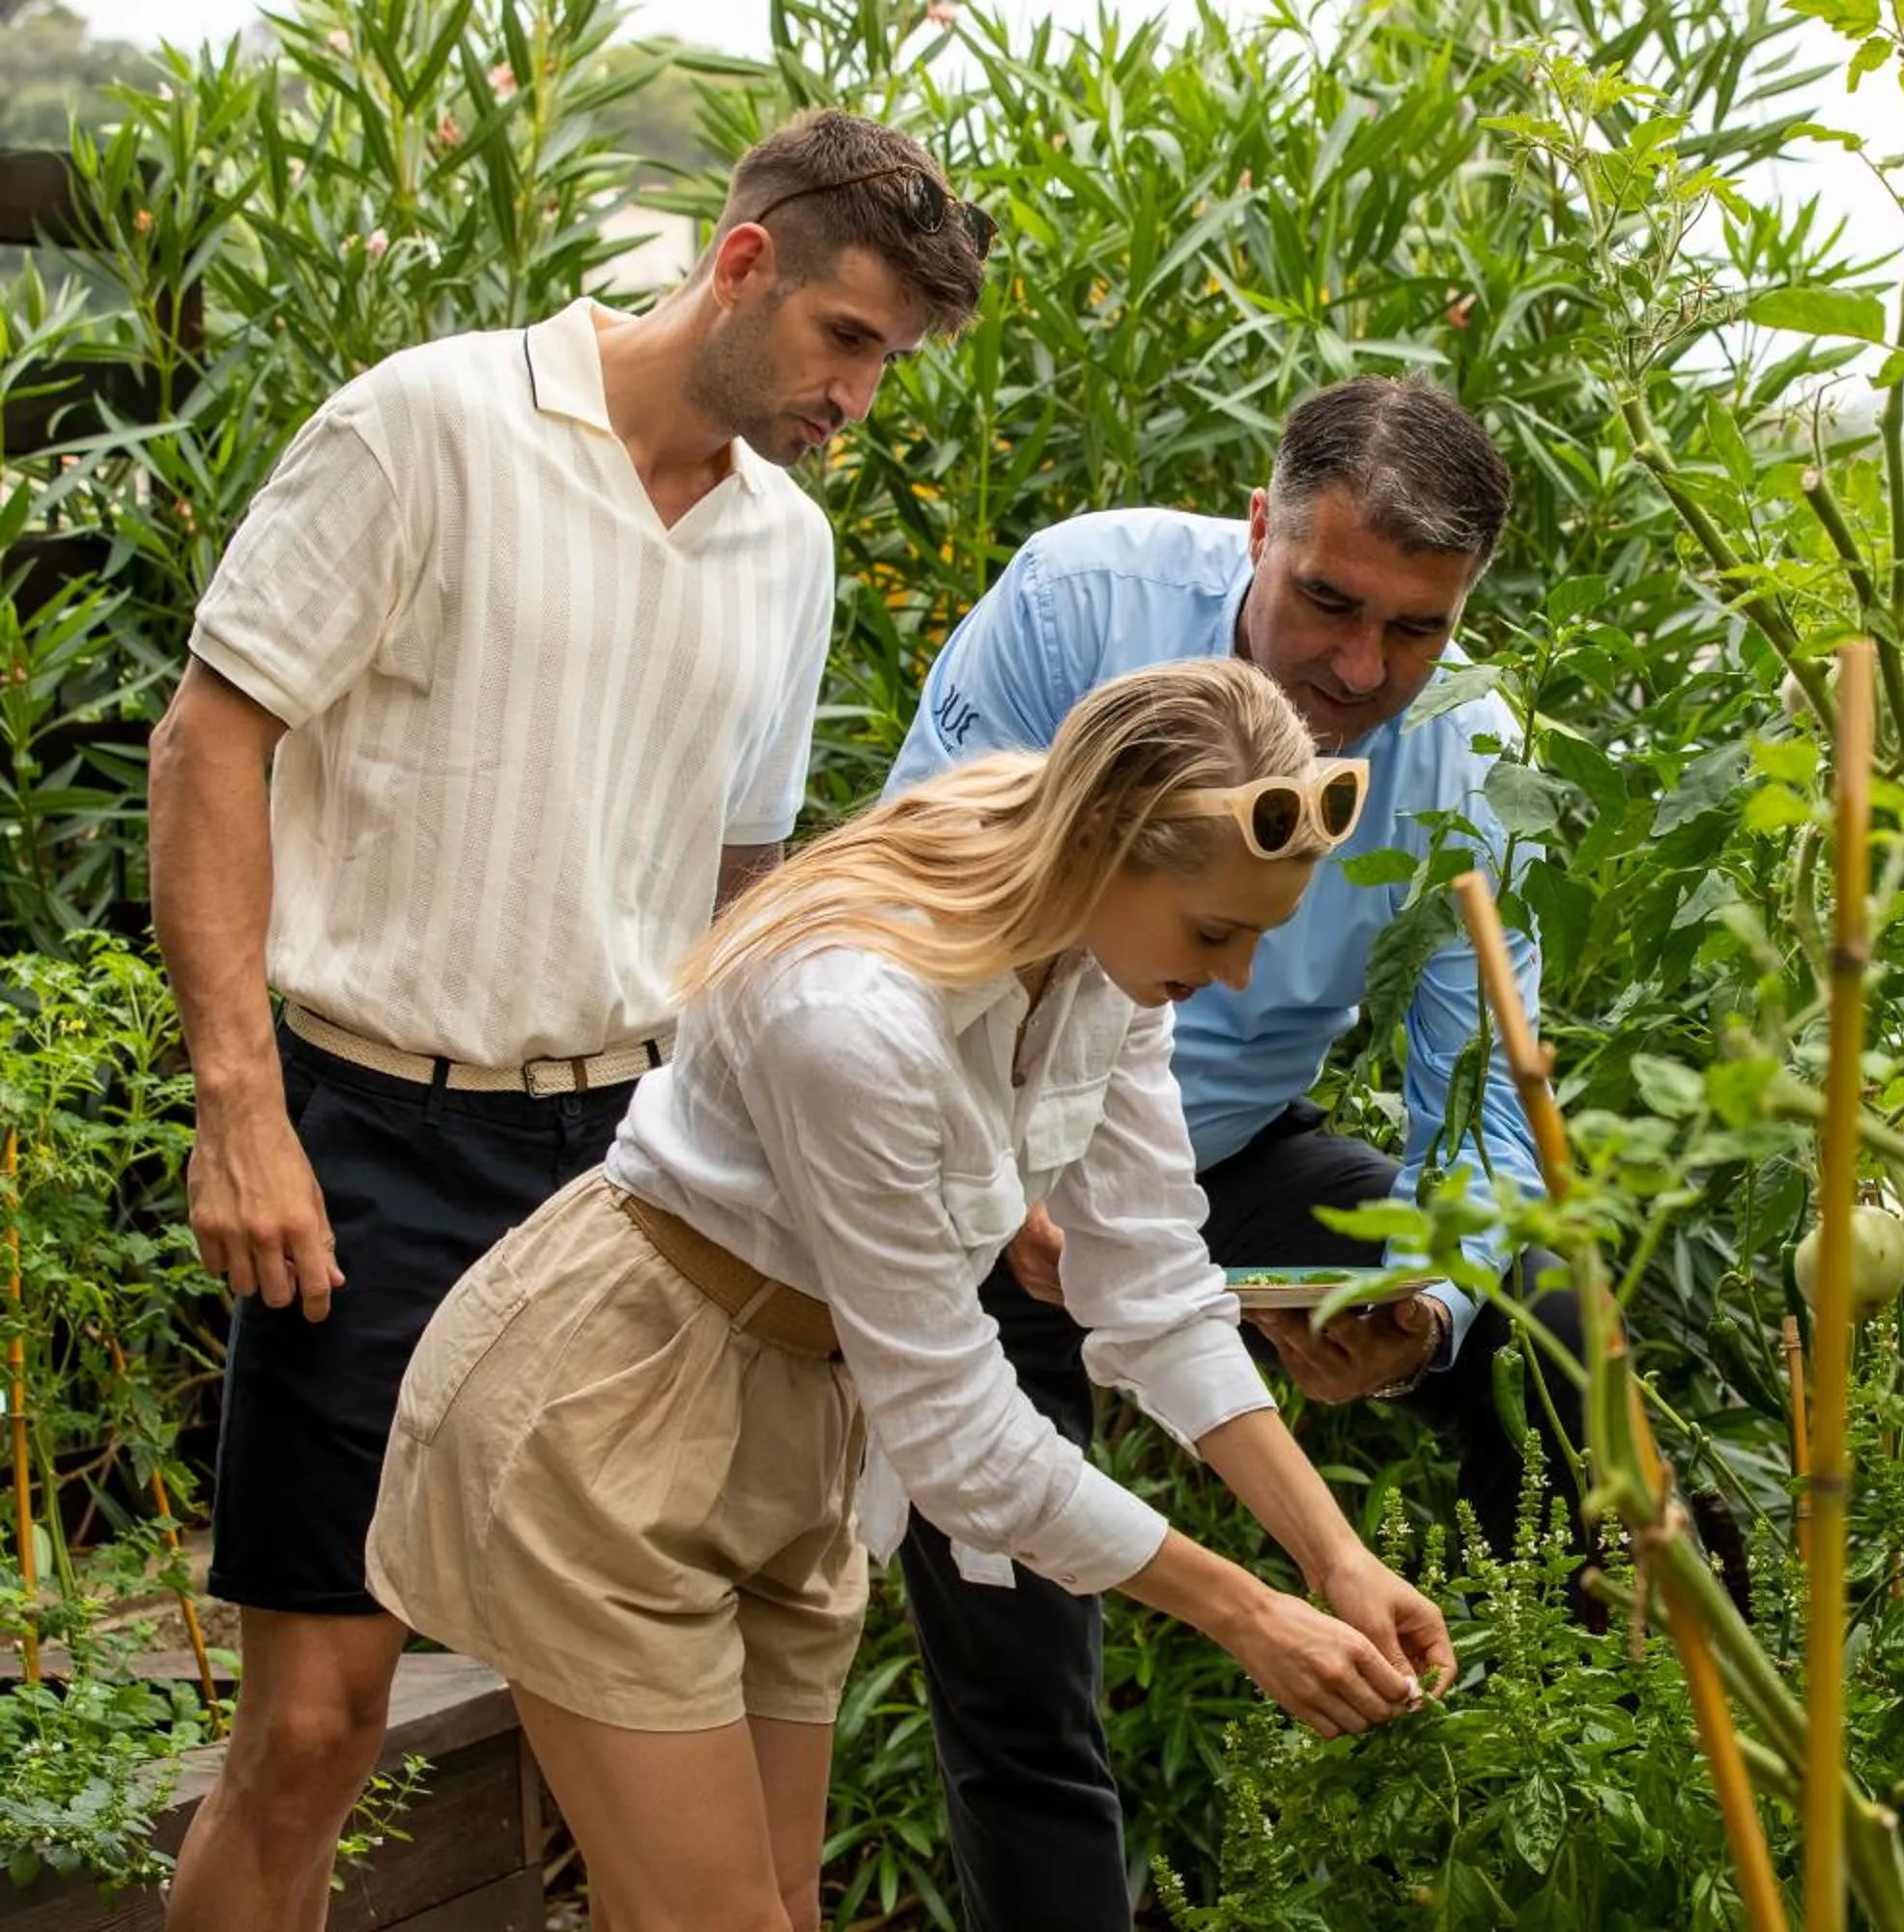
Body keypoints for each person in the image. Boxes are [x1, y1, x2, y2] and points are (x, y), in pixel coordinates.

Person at [144, 110, 988, 1932]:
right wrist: (240, 1111)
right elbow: (210, 740)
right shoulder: (428, 425)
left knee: (645, 1746)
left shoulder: (789, 551)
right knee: (312, 1728)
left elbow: (737, 892)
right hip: (368, 1133)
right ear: (742, 261)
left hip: (624, 1178)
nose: (858, 398)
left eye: (890, 366)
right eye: (849, 341)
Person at [365, 656, 1452, 1932]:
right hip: (617, 1399)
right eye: (1218, 933)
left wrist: (1334, 1560)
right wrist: (1248, 1613)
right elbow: (961, 1437)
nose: (1239, 980)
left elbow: (1152, 1286)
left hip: (805, 1415)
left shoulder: (1103, 956)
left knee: (774, 1903)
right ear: (1102, 838)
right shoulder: (854, 1011)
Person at [885, 375, 1580, 1930]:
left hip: (1218, 1144)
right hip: (966, 1140)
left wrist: (1431, 1305)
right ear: (1257, 526)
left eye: (1417, 633)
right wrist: (1009, 1198)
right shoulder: (1079, 604)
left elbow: (1487, 1102)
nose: (1359, 667)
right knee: (1016, 1612)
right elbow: (917, 934)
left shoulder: (1470, 757)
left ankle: (1602, 1730)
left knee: (1552, 1310)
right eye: (1329, 602)